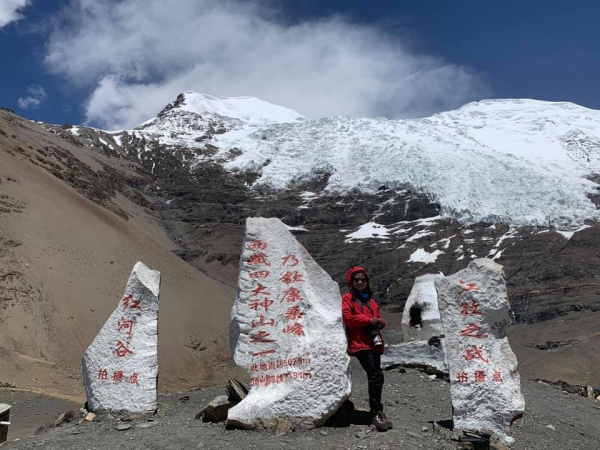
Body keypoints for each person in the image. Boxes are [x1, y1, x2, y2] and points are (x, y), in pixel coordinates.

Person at [341, 266, 393, 431]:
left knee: (377, 376)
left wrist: (380, 322)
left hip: (373, 343)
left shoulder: (370, 301)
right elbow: (348, 318)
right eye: (356, 279)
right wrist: (369, 320)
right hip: (360, 344)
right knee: (375, 375)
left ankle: (376, 409)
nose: (360, 282)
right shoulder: (348, 299)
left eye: (363, 279)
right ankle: (376, 412)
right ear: (351, 281)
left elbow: (377, 317)